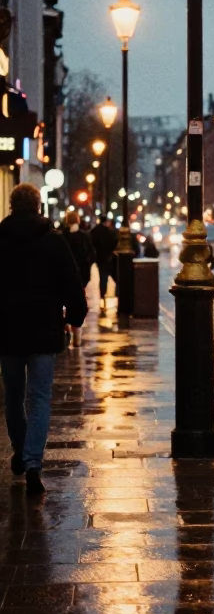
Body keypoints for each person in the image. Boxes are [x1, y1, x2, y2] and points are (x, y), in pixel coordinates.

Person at [0, 183, 88, 493]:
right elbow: (72, 284)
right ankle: (33, 461)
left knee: (12, 396)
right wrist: (73, 319)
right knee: (38, 398)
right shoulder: (53, 241)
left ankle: (20, 451)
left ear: (12, 206)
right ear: (38, 206)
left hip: (7, 331)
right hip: (43, 331)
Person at [60, 209, 96, 345]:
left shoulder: (61, 236)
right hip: (81, 275)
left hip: (64, 275)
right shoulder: (84, 236)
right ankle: (77, 335)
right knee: (77, 302)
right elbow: (91, 254)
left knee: (63, 301)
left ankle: (66, 327)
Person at [89, 214, 118, 308]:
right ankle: (116, 294)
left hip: (100, 258)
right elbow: (114, 243)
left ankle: (102, 296)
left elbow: (91, 243)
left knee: (102, 277)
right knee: (115, 277)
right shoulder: (109, 231)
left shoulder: (94, 231)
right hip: (109, 258)